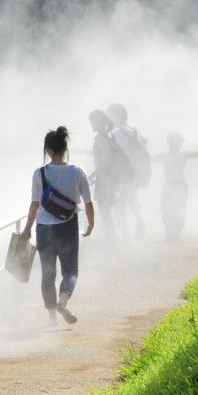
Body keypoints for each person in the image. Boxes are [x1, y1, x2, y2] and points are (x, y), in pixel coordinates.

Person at [21, 127, 95, 326]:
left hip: (44, 227)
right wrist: (90, 225)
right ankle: (63, 301)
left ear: (49, 151)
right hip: (67, 226)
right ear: (65, 148)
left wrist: (27, 228)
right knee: (70, 271)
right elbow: (88, 202)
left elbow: (35, 204)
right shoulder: (77, 172)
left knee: (47, 273)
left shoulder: (39, 173)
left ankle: (52, 317)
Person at [154, 133, 198, 241]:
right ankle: (169, 232)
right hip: (169, 184)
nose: (180, 144)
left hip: (179, 184)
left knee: (179, 209)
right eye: (179, 142)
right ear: (171, 143)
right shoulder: (164, 156)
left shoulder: (182, 154)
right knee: (166, 209)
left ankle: (176, 231)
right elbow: (148, 159)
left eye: (180, 142)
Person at [106, 103, 150, 242]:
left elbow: (115, 154)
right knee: (131, 199)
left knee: (120, 202)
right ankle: (138, 221)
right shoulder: (134, 129)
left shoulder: (116, 133)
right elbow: (145, 142)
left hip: (124, 172)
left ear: (116, 115)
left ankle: (125, 233)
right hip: (137, 171)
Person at [87, 109, 128, 240]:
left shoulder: (101, 138)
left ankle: (111, 238)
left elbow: (105, 160)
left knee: (105, 210)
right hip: (114, 179)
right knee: (117, 208)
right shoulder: (109, 136)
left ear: (100, 122)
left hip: (105, 181)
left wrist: (94, 174)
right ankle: (123, 237)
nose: (92, 124)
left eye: (93, 121)